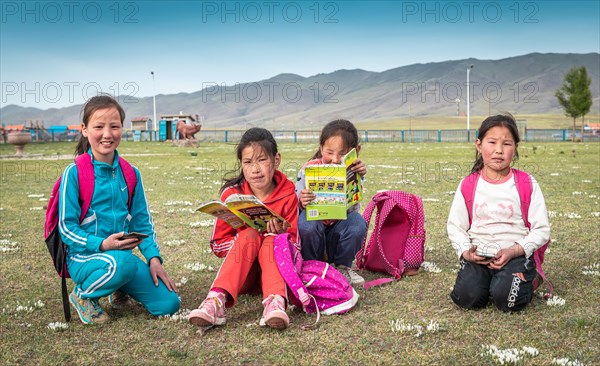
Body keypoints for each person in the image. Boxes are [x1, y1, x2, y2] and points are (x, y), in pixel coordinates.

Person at [59, 95, 180, 324]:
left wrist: (153, 258)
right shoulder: (74, 173)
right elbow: (66, 228)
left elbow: (141, 222)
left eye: (114, 126)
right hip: (83, 258)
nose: (107, 134)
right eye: (99, 126)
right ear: (85, 130)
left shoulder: (131, 173)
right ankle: (83, 296)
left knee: (169, 304)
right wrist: (102, 244)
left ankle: (118, 287)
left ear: (121, 129)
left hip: (120, 258)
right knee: (121, 264)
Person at [188, 127, 298, 330]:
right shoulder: (232, 195)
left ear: (276, 160)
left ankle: (275, 303)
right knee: (249, 233)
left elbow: (297, 247)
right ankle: (215, 302)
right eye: (248, 162)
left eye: (262, 160)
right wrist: (245, 239)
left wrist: (281, 237)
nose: (255, 169)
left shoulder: (289, 194)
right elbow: (218, 246)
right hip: (242, 276)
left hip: (276, 272)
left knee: (273, 238)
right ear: (242, 165)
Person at [447, 114, 550, 312]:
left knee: (507, 301)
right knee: (467, 298)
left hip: (515, 255)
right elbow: (455, 226)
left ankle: (532, 277)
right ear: (479, 145)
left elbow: (542, 229)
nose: (498, 150)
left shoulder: (526, 184)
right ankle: (489, 281)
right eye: (492, 142)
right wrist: (466, 252)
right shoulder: (468, 185)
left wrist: (514, 251)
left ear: (516, 148)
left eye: (507, 144)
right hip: (479, 257)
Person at [296, 119, 367, 286]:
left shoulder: (355, 169)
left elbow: (354, 206)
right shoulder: (308, 169)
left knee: (358, 223)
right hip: (314, 231)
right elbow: (296, 199)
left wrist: (358, 177)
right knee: (306, 224)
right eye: (329, 152)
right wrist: (302, 200)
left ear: (355, 151)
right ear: (321, 148)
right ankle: (311, 267)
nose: (335, 159)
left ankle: (342, 266)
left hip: (339, 229)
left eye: (342, 154)